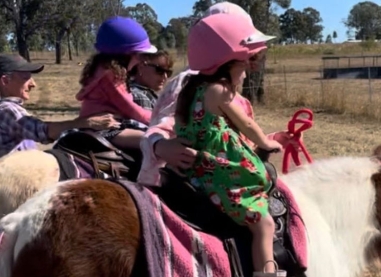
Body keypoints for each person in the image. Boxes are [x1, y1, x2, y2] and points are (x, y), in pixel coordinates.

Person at [175, 13, 308, 277]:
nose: (248, 70)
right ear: (225, 62)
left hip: (197, 172)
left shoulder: (190, 92)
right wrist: (267, 142)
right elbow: (245, 123)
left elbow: (191, 132)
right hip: (217, 174)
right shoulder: (219, 92)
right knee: (263, 223)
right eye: (245, 62)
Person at [137, 1, 300, 186]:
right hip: (199, 184)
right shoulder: (188, 87)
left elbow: (231, 144)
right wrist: (160, 145)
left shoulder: (231, 94)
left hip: (227, 175)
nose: (248, 67)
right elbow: (158, 130)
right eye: (247, 58)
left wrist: (270, 140)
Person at [0, 54, 119, 158]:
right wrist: (87, 123)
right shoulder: (6, 110)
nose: (33, 84)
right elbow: (44, 131)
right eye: (26, 78)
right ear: (5, 81)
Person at [75, 16, 157, 149]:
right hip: (103, 128)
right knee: (155, 141)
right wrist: (159, 120)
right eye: (140, 55)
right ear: (126, 55)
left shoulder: (105, 70)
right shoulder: (110, 76)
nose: (142, 61)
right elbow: (131, 110)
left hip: (108, 124)